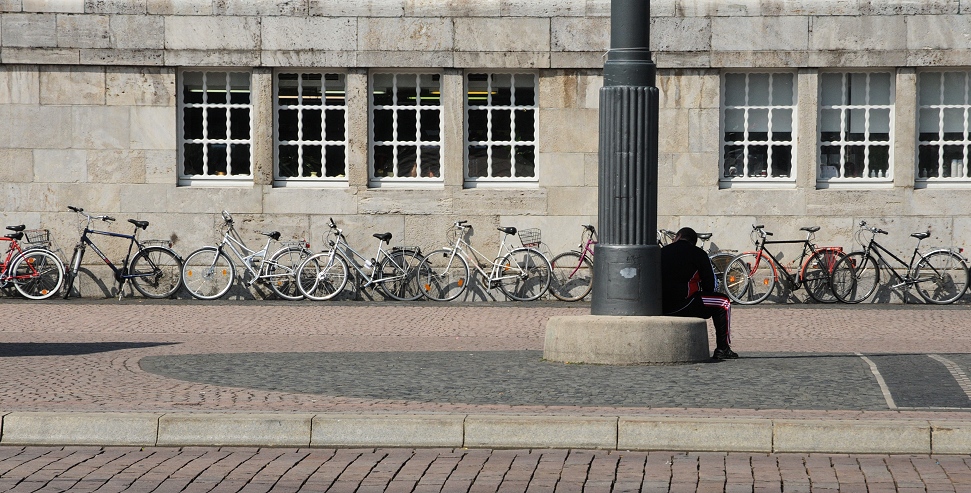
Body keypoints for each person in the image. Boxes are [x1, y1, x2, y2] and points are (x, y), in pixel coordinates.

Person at [660, 227, 737, 361]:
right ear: (693, 242)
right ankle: (723, 348)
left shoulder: (661, 252)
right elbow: (710, 285)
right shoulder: (698, 254)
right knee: (723, 302)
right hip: (684, 303)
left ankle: (723, 349)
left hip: (659, 305)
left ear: (678, 237)